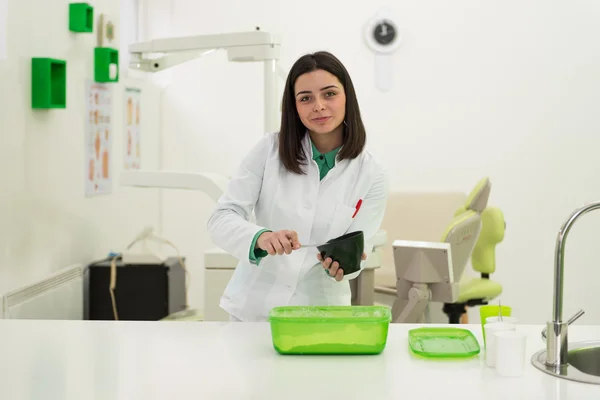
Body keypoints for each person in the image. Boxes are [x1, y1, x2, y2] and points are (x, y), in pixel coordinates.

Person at [206, 51, 388, 322]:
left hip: (322, 315)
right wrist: (261, 237)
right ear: (294, 106)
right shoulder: (268, 150)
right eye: (306, 98)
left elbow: (360, 249)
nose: (318, 106)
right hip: (254, 311)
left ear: (347, 97)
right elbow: (220, 219)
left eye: (329, 94)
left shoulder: (371, 174)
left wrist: (346, 266)